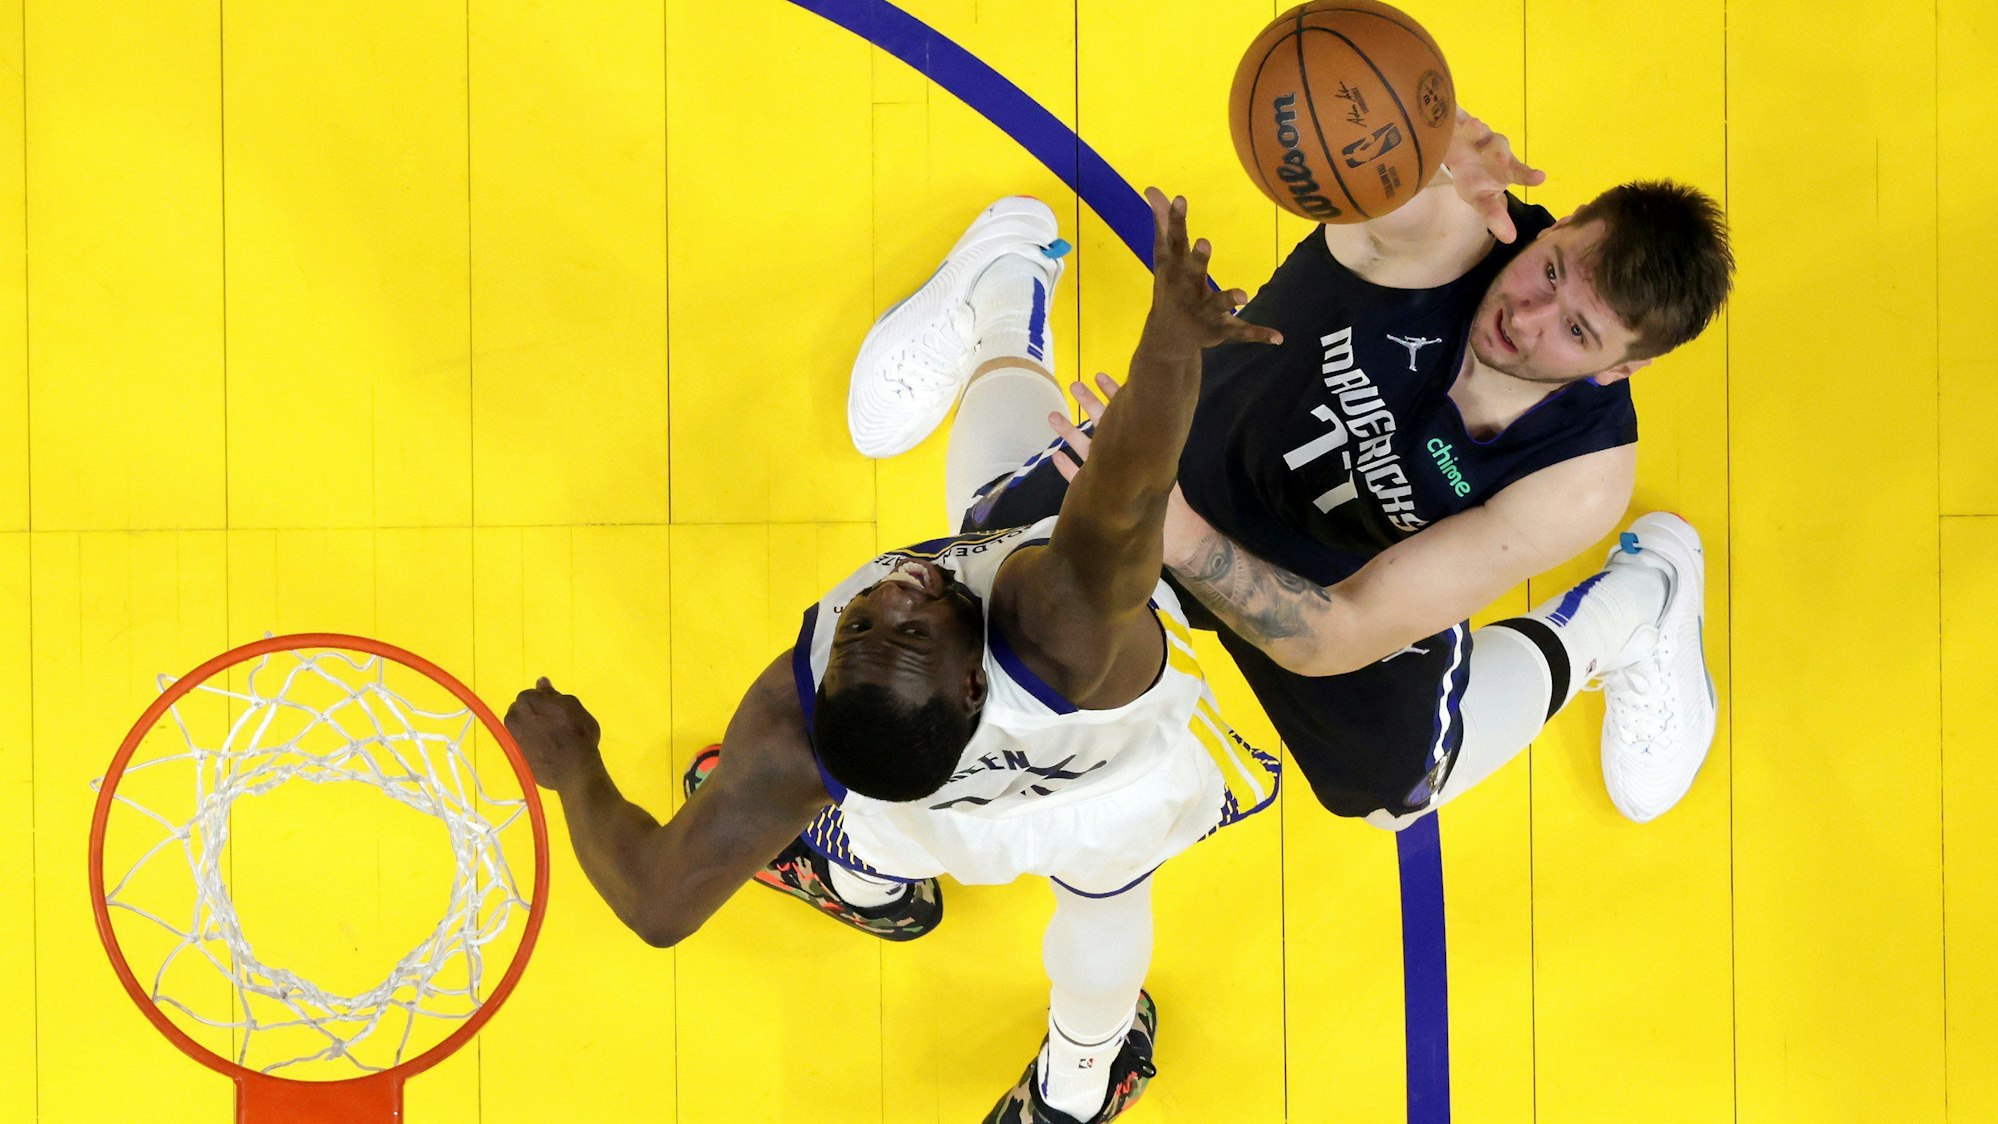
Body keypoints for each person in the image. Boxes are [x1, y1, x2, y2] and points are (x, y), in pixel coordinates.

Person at [505, 189, 1282, 1124]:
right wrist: (1170, 338)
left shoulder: (798, 745)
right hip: (1119, 784)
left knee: (880, 820)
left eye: (863, 631)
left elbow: (657, 904)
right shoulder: (1060, 625)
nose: (889, 597)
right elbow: (1127, 489)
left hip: (932, 810)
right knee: (1106, 898)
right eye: (906, 627)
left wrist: (575, 772)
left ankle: (861, 881)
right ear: (968, 675)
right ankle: (1076, 1091)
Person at [847, 106, 1734, 828]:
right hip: (1201, 459)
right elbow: (1307, 100)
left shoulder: (1577, 478)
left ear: (1621, 368)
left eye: (1578, 331)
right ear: (1561, 224)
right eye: (1552, 270)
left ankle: (1630, 612)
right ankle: (1002, 284)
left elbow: (1345, 632)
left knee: (1390, 792)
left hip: (1339, 576)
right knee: (991, 559)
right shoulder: (1445, 226)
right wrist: (1412, 132)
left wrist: (1183, 540)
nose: (1530, 316)